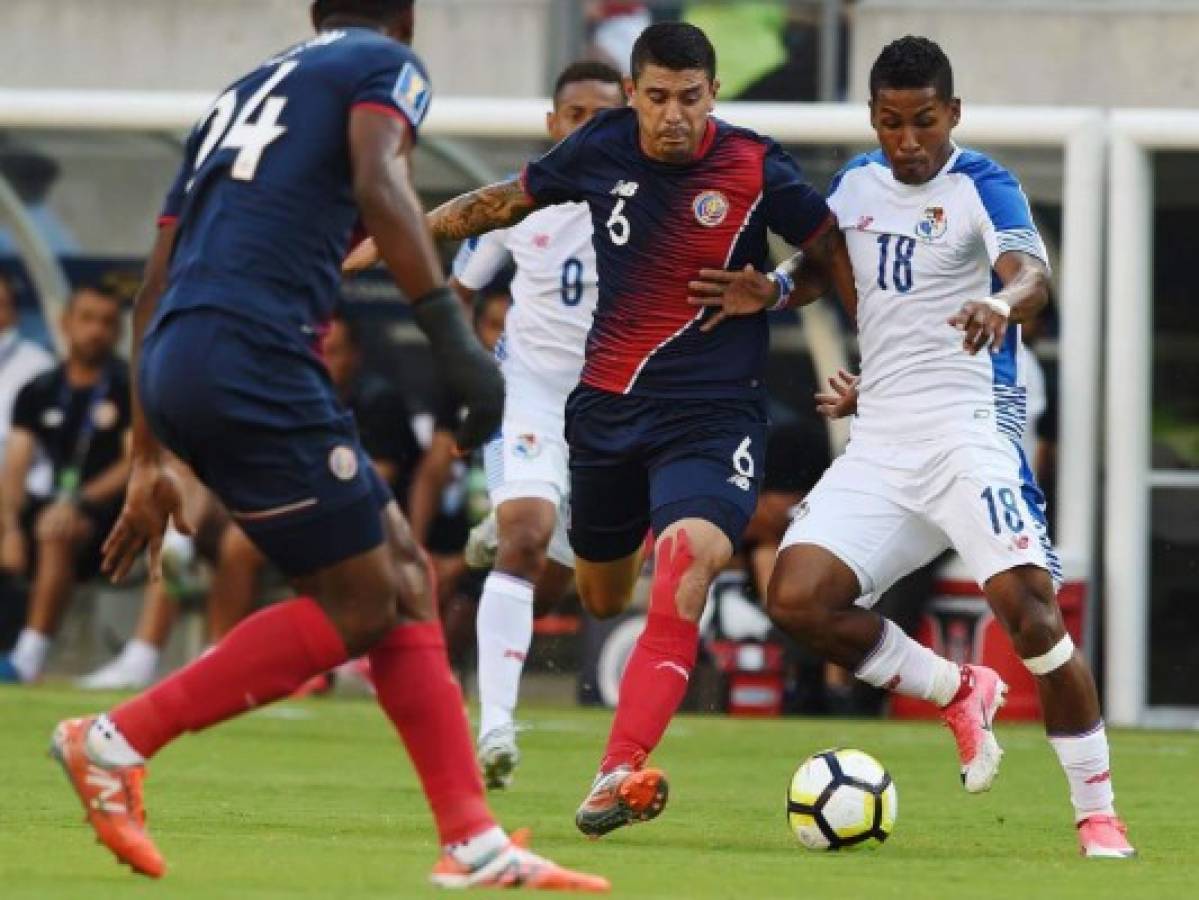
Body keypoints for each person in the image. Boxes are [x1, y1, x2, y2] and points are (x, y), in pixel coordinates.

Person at [47, 1, 606, 891]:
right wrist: (454, 344)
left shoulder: (237, 94)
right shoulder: (380, 67)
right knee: (359, 602)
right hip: (256, 355)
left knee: (401, 578)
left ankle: (472, 842)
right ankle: (114, 742)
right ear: (408, 18)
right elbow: (381, 181)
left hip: (188, 355)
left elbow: (157, 278)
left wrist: (153, 450)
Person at [691, 36, 1134, 859]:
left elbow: (1030, 274)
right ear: (872, 118)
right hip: (882, 439)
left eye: (923, 121)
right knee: (797, 596)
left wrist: (1003, 301)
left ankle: (1096, 812)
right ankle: (957, 688)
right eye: (891, 122)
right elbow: (828, 265)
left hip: (968, 433)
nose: (908, 140)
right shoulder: (856, 182)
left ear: (951, 114)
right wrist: (775, 288)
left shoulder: (981, 185)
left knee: (1029, 611)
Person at [405, 21, 848, 836]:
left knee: (684, 565)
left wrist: (776, 292)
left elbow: (830, 254)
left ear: (712, 92)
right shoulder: (600, 146)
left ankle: (617, 771)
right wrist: (387, 235)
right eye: (656, 98)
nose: (672, 115)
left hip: (713, 415)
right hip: (604, 413)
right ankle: (524, 529)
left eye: (689, 97)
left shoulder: (754, 163)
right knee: (601, 589)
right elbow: (499, 201)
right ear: (635, 95)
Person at [370, 59, 625, 790]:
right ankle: (495, 729)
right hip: (528, 395)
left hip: (611, 410)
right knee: (524, 538)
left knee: (577, 587)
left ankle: (496, 539)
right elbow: (453, 293)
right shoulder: (521, 201)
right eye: (574, 114)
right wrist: (467, 389)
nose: (586, 128)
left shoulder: (648, 204)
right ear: (553, 124)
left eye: (602, 117)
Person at [0, 286, 131, 683]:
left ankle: (28, 657)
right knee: (36, 523)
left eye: (107, 323)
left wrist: (78, 501)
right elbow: (16, 464)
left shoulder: (128, 387)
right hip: (46, 503)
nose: (96, 331)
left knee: (56, 529)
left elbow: (133, 463)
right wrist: (8, 529)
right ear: (65, 324)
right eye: (87, 319)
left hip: (105, 512)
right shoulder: (39, 389)